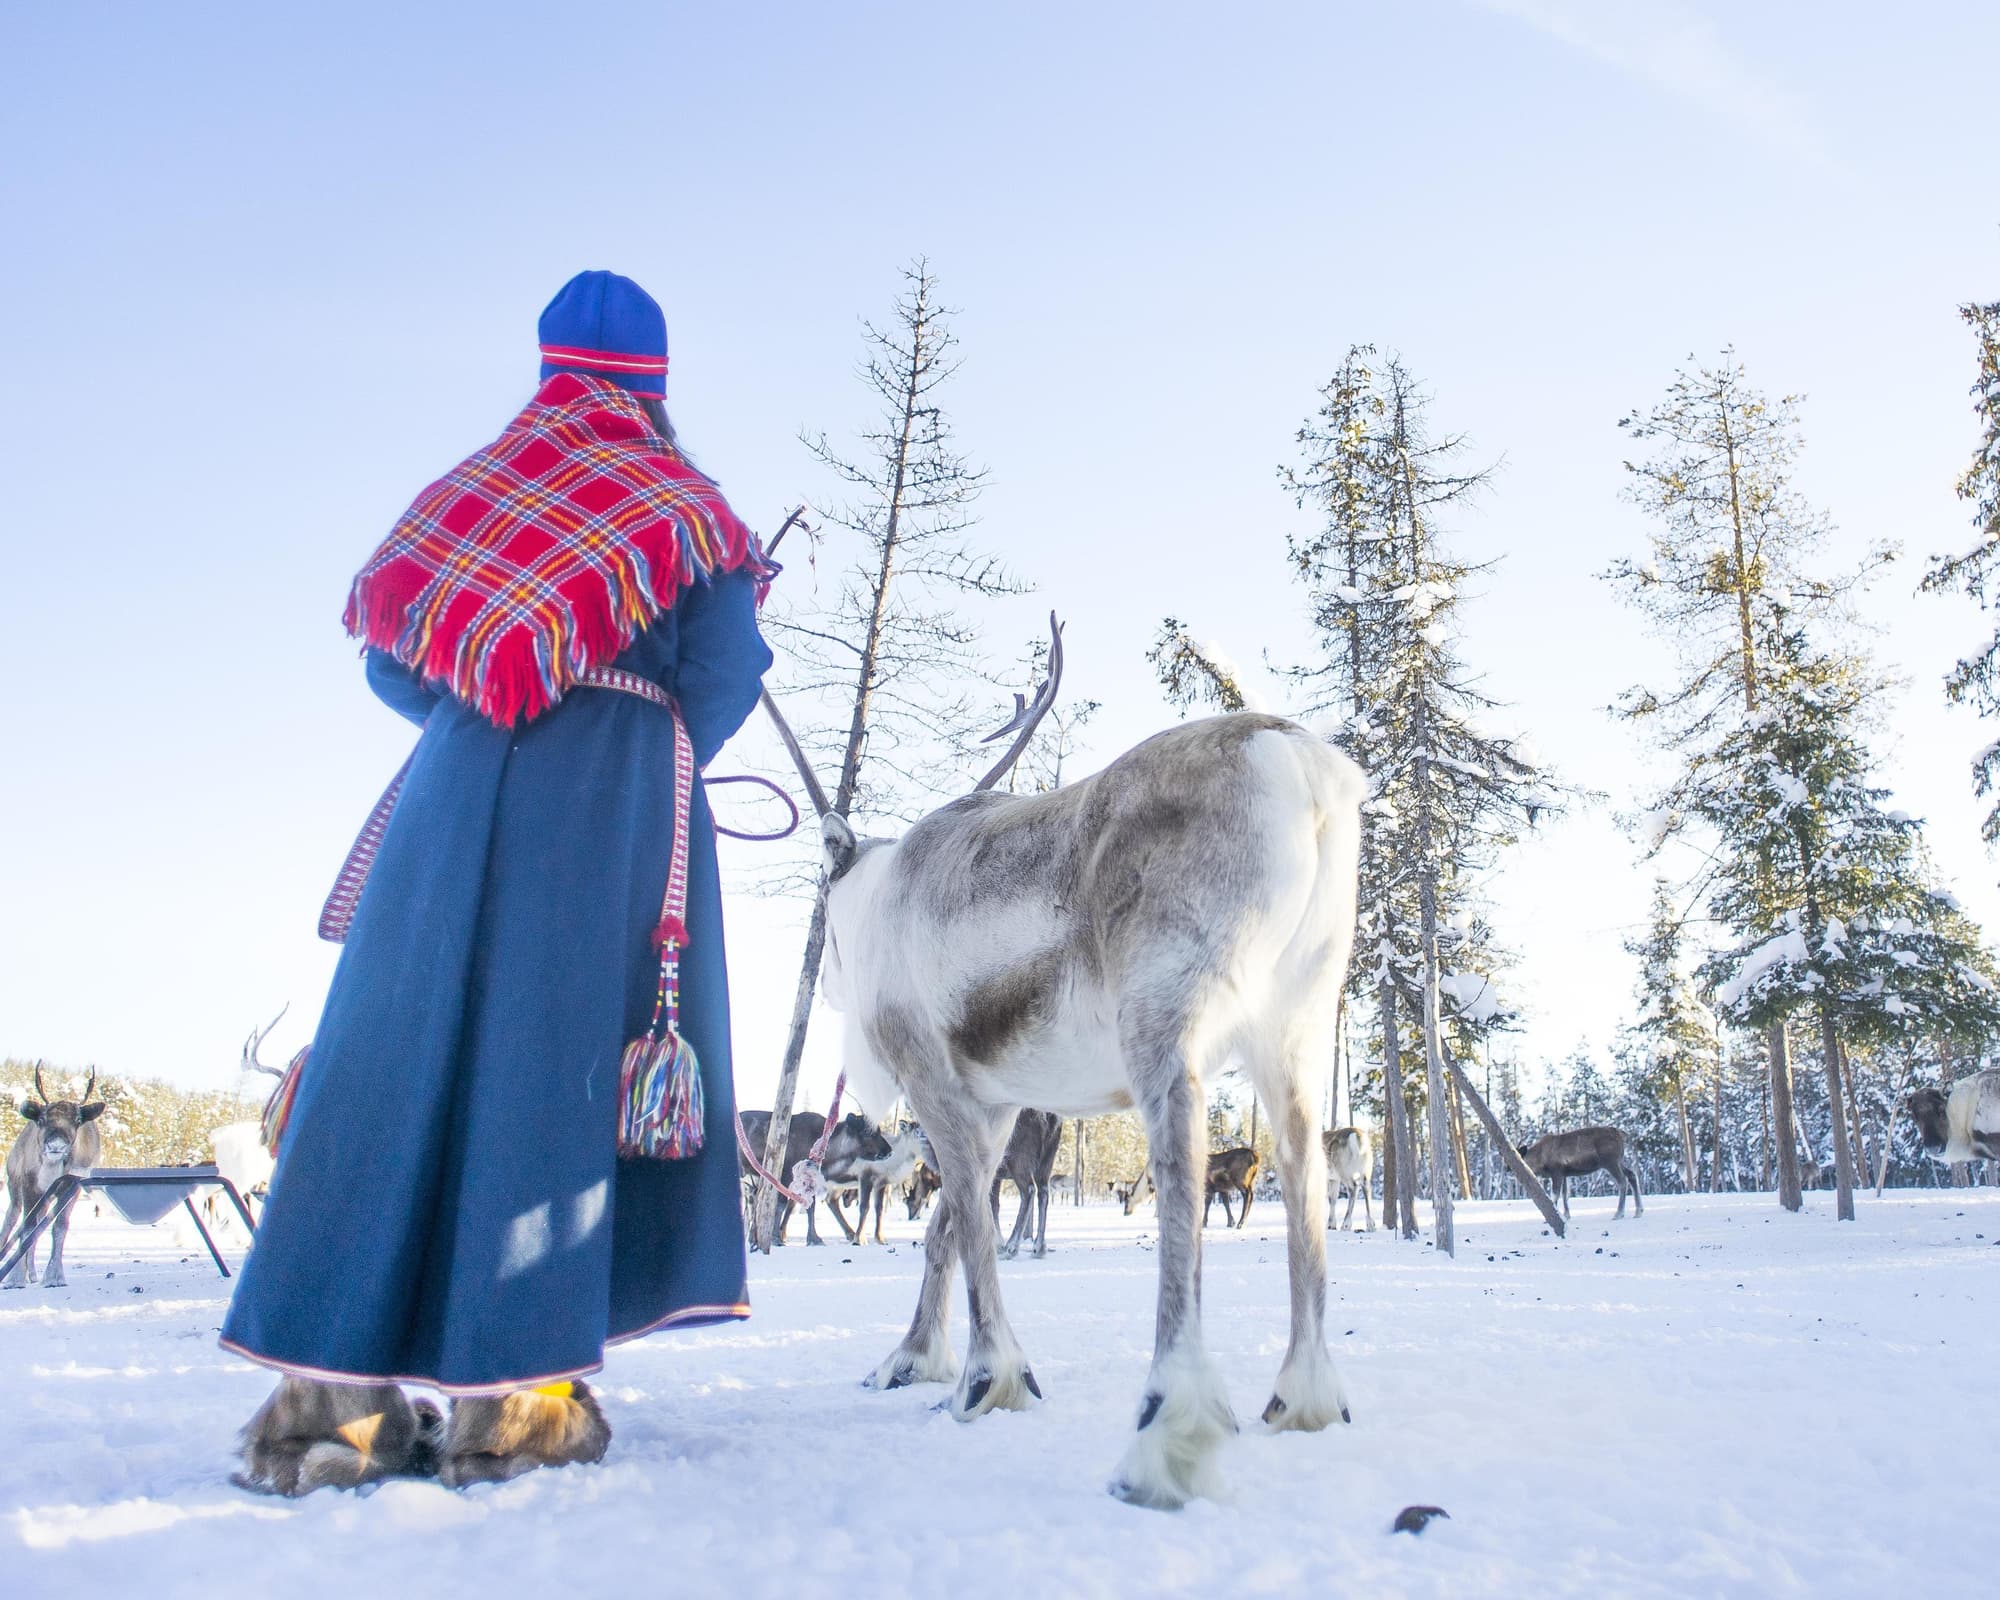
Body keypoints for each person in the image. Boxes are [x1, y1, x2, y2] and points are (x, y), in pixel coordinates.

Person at [223, 271, 775, 1494]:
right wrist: (629, 739)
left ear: (547, 371)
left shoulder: (470, 497)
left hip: (452, 787)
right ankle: (513, 1407)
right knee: (547, 1065)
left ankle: (330, 1407)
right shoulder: (687, 514)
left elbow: (391, 665)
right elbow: (727, 671)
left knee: (397, 1056)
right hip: (607, 807)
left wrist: (494, 704)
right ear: (657, 384)